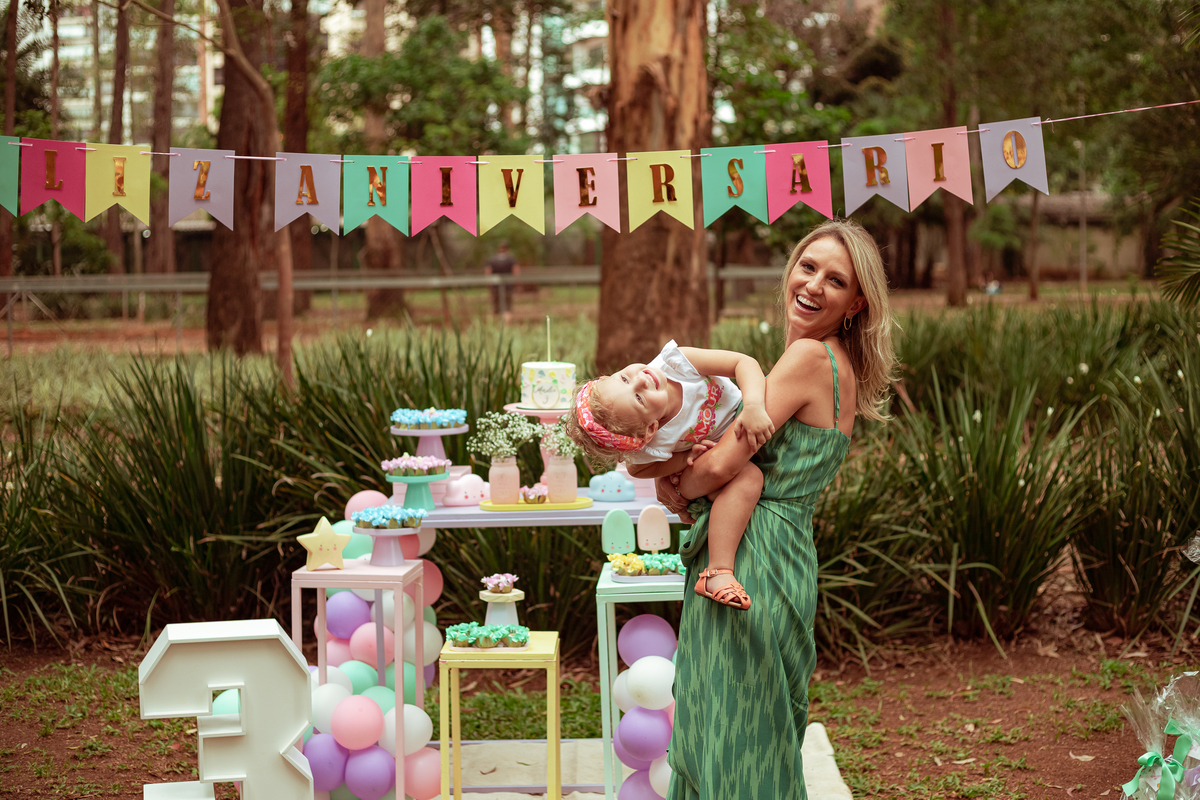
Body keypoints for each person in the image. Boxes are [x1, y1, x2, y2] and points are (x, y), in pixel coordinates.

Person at [656, 219, 897, 800]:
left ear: (856, 304)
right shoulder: (837, 362)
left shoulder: (808, 357)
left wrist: (674, 482)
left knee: (733, 729)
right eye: (807, 267)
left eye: (835, 280)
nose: (812, 285)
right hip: (787, 552)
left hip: (751, 556)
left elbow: (721, 466)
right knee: (756, 725)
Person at [563, 342, 776, 609]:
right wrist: (683, 460)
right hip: (725, 453)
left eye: (625, 378)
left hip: (747, 414)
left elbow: (743, 363)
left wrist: (753, 405)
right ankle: (718, 571)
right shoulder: (654, 442)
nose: (641, 380)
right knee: (750, 479)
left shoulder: (677, 363)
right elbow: (637, 468)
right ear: (650, 430)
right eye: (639, 398)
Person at [485, 242, 521, 320]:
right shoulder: (511, 260)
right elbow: (516, 271)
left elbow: (488, 272)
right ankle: (507, 323)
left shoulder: (492, 260)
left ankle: (497, 323)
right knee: (507, 307)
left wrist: (489, 284)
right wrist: (516, 283)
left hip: (495, 287)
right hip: (508, 287)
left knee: (496, 307)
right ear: (507, 249)